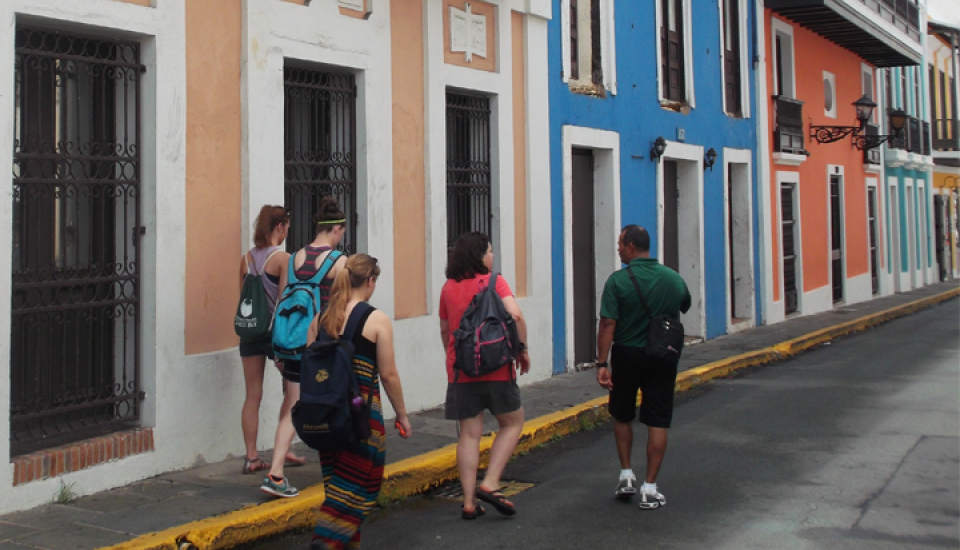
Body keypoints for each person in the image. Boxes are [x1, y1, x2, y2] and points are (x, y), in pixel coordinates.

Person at [308, 254, 411, 550]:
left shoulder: (321, 318)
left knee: (338, 486)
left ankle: (341, 543)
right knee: (361, 484)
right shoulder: (376, 319)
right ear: (370, 281)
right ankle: (324, 541)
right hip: (362, 418)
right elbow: (389, 374)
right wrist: (402, 415)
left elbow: (310, 365)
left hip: (327, 417)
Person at [596, 224, 691, 510]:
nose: (618, 248)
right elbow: (684, 304)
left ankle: (626, 474)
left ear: (631, 247)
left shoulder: (617, 282)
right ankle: (650, 487)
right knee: (658, 419)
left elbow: (608, 324)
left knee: (623, 414)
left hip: (626, 355)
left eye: (620, 244)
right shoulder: (673, 278)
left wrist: (602, 362)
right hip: (662, 355)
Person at [260, 197, 349, 498]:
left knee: (293, 407)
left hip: (292, 345)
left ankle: (275, 474)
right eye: (342, 232)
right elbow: (346, 308)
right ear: (337, 229)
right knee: (334, 403)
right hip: (322, 347)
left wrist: (278, 348)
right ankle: (338, 472)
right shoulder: (339, 262)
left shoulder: (294, 256)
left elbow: (284, 299)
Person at [439, 232, 530, 520]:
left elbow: (445, 329)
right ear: (479, 256)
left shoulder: (448, 288)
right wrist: (521, 349)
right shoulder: (494, 281)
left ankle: (468, 502)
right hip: (497, 367)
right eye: (489, 251)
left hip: (462, 370)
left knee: (468, 434)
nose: (492, 256)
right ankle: (490, 482)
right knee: (513, 422)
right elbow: (515, 316)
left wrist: (451, 355)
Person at [238, 205, 307, 475]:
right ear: (279, 227)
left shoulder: (245, 259)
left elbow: (241, 299)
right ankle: (284, 447)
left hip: (250, 332)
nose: (287, 231)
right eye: (287, 227)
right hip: (274, 334)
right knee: (293, 392)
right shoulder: (282, 258)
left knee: (252, 395)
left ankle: (251, 457)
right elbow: (284, 303)